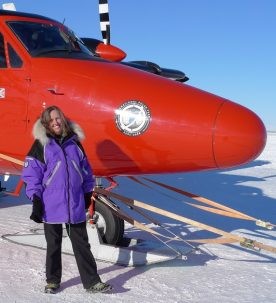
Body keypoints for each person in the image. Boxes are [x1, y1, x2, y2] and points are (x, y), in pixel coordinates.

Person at [22, 105, 112, 294]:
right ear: (46, 124)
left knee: (81, 244)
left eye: (58, 118)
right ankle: (53, 281)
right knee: (53, 245)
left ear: (63, 119)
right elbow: (32, 175)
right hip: (51, 204)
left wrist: (88, 192)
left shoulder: (74, 143)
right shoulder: (41, 144)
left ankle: (92, 282)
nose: (56, 122)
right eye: (51, 120)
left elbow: (86, 171)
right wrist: (36, 199)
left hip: (75, 203)